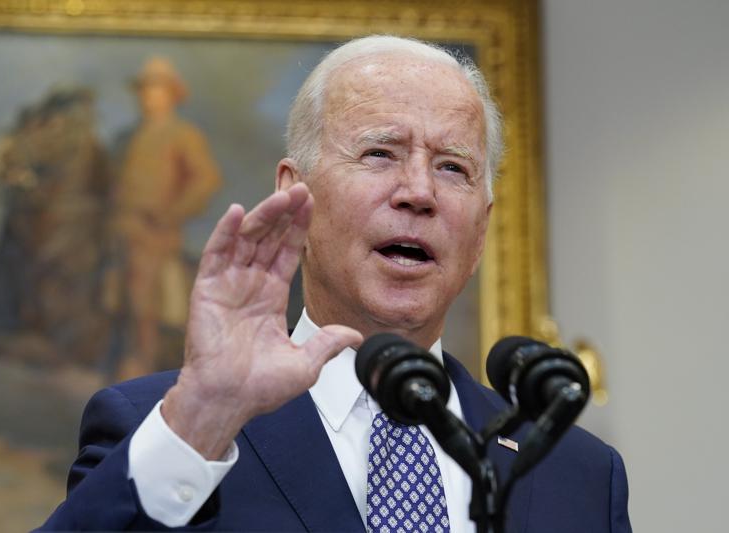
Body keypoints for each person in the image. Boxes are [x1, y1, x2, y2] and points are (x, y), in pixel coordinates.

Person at [41, 36, 631, 532]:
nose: (419, 192)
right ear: (295, 198)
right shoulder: (172, 426)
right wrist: (204, 420)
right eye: (380, 153)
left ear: (480, 233)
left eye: (452, 166)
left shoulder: (575, 473)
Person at [110, 57, 222, 380]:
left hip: (152, 233)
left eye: (156, 89)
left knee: (140, 289)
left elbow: (206, 179)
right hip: (117, 227)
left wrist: (170, 213)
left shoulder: (182, 135)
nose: (149, 96)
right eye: (145, 90)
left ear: (172, 94)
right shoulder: (126, 138)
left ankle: (139, 359)